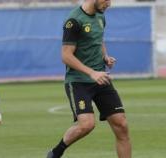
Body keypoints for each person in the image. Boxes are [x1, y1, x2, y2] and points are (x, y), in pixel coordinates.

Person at [47, 0, 131, 157]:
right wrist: (92, 72)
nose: (109, 4)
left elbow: (98, 39)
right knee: (87, 124)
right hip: (79, 81)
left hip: (101, 78)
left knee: (122, 125)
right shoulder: (74, 21)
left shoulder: (100, 16)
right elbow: (66, 55)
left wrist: (105, 56)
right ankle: (56, 152)